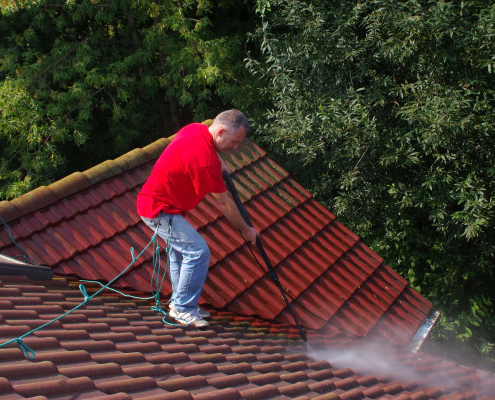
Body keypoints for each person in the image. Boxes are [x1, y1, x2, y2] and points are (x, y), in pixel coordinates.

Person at [137, 109, 259, 327]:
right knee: (197, 251)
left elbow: (198, 152)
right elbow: (224, 203)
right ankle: (183, 308)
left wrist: (218, 159)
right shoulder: (205, 162)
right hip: (158, 209)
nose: (236, 148)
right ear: (221, 131)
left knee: (180, 253)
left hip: (164, 205)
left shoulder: (195, 129)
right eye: (234, 142)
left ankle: (180, 303)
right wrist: (246, 229)